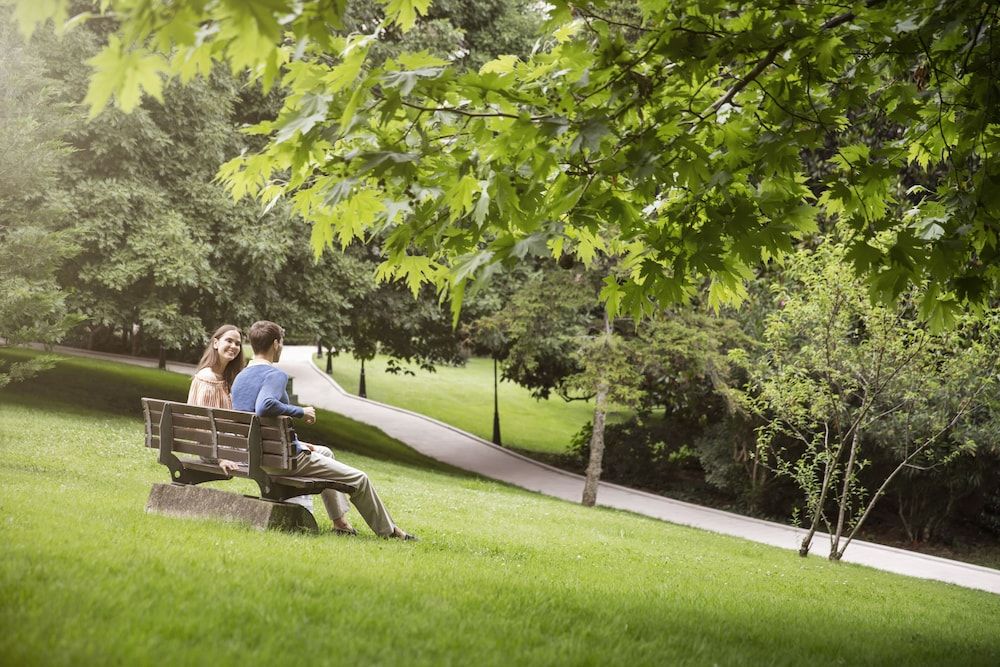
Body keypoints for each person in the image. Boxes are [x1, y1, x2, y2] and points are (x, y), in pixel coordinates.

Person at [231, 320, 416, 540]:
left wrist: (299, 444)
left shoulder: (240, 377)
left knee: (325, 452)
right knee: (360, 479)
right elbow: (264, 406)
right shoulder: (274, 375)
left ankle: (341, 523)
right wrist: (301, 411)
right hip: (284, 462)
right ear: (276, 344)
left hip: (258, 458)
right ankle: (391, 532)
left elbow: (260, 423)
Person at [187, 324, 246, 475]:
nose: (234, 346)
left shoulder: (228, 378)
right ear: (215, 343)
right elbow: (204, 425)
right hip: (212, 449)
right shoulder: (208, 378)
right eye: (229, 341)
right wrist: (220, 459)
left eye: (238, 343)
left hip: (227, 444)